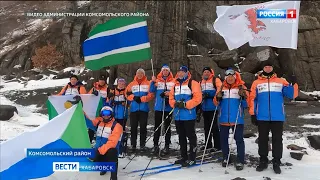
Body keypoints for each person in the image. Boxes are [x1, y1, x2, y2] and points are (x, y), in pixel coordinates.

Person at [249, 61, 298, 174]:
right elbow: (252, 99)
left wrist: (293, 83)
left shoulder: (281, 81)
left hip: (277, 116)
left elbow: (292, 95)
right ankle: (263, 160)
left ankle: (276, 161)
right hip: (262, 116)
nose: (267, 68)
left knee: (277, 140)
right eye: (265, 67)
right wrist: (253, 114)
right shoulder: (256, 83)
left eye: (269, 66)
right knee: (262, 139)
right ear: (263, 69)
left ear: (272, 68)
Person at [213, 68, 249, 171]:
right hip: (223, 118)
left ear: (235, 77)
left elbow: (247, 104)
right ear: (226, 78)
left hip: (237, 119)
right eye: (228, 77)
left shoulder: (241, 87)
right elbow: (215, 103)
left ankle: (240, 160)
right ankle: (226, 157)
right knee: (223, 140)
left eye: (232, 77)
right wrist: (217, 98)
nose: (230, 78)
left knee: (239, 140)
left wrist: (243, 96)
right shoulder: (221, 88)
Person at [169, 65, 202, 167]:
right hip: (178, 115)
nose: (180, 73)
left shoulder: (193, 83)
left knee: (191, 136)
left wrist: (185, 104)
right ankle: (184, 156)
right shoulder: (174, 84)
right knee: (181, 136)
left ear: (187, 73)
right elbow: (171, 98)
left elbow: (198, 98)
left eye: (183, 71)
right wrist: (174, 103)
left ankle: (192, 157)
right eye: (179, 71)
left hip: (188, 115)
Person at [86, 106, 123, 180]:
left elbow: (112, 143)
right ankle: (104, 167)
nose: (106, 116)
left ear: (111, 114)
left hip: (109, 152)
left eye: (108, 113)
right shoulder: (99, 122)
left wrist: (98, 151)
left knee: (112, 152)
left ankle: (113, 176)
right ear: (101, 114)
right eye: (104, 113)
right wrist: (80, 107)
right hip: (99, 150)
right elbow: (87, 121)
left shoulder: (116, 126)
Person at [125, 68, 154, 153]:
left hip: (144, 109)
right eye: (138, 73)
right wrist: (134, 97)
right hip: (134, 109)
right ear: (136, 74)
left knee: (143, 127)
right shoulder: (131, 84)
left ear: (144, 74)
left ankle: (142, 145)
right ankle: (133, 145)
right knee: (133, 127)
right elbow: (127, 94)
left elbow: (151, 95)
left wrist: (142, 99)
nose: (140, 75)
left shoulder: (148, 83)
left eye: (141, 73)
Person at [150, 64, 175, 155]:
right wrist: (153, 82)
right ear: (161, 71)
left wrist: (169, 93)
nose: (165, 72)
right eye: (163, 70)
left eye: (166, 70)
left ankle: (167, 145)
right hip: (159, 107)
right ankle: (155, 144)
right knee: (157, 126)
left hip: (168, 107)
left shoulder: (173, 81)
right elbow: (152, 90)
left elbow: (175, 91)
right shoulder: (157, 80)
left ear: (169, 72)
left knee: (167, 127)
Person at [198, 67, 222, 151]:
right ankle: (208, 144)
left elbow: (219, 89)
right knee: (206, 127)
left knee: (214, 127)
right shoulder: (201, 82)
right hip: (204, 107)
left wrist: (210, 94)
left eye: (208, 72)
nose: (206, 73)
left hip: (213, 106)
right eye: (205, 72)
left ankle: (217, 145)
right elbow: (198, 92)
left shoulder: (215, 80)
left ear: (211, 73)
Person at [106, 78, 130, 156]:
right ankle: (112, 144)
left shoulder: (126, 91)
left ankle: (121, 145)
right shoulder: (113, 91)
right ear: (117, 83)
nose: (121, 84)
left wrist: (126, 103)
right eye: (120, 83)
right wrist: (110, 99)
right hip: (114, 114)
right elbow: (108, 102)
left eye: (123, 83)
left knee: (121, 130)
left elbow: (129, 102)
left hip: (123, 114)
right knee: (113, 130)